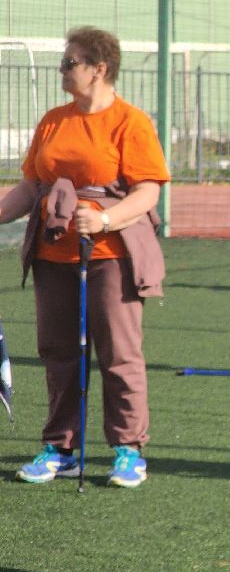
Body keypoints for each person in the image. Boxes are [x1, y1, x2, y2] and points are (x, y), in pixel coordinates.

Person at [0, 26, 168, 488]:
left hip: (111, 253)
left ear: (100, 68)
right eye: (64, 62)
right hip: (54, 253)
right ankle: (61, 446)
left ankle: (128, 449)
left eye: (70, 63)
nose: (62, 70)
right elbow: (33, 186)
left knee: (119, 353)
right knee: (57, 351)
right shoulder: (53, 120)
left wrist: (106, 220)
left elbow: (148, 190)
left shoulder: (131, 122)